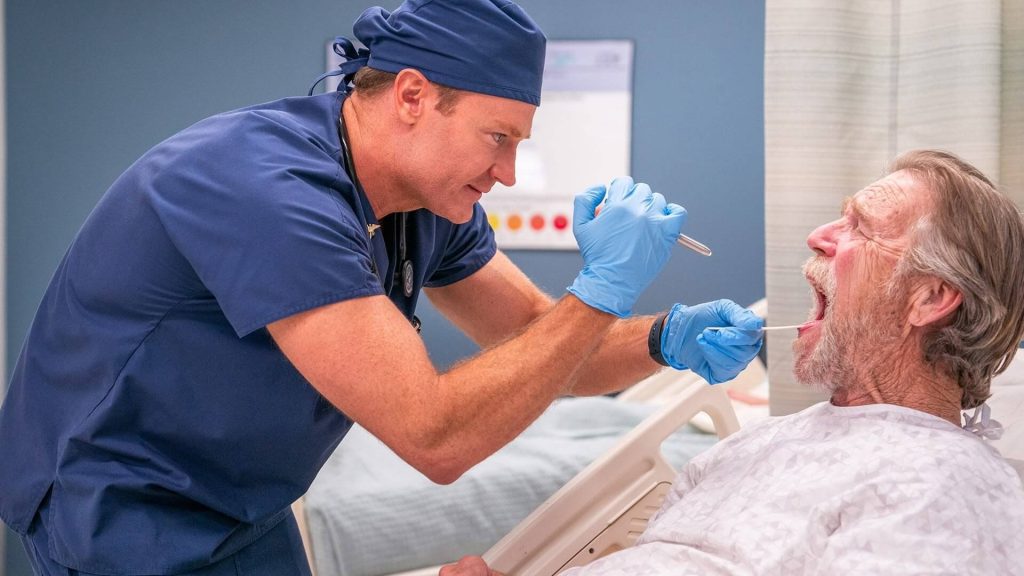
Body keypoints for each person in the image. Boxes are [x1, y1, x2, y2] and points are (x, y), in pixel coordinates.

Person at [0, 1, 765, 574]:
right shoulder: (262, 188)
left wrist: (666, 337)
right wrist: (599, 292)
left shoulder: (426, 203)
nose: (508, 174)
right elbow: (434, 437)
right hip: (124, 512)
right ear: (410, 97)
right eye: (498, 137)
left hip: (249, 502)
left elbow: (542, 341)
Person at [441, 149, 1024, 576]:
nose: (817, 236)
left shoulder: (942, 485)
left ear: (930, 298)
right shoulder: (752, 446)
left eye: (859, 228)